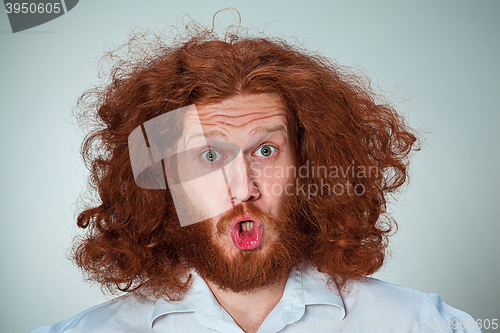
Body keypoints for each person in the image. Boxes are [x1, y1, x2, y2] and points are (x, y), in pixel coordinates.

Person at [31, 24, 482, 333]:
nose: (244, 188)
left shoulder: (423, 325)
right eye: (209, 155)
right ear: (166, 179)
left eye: (265, 150)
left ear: (306, 162)